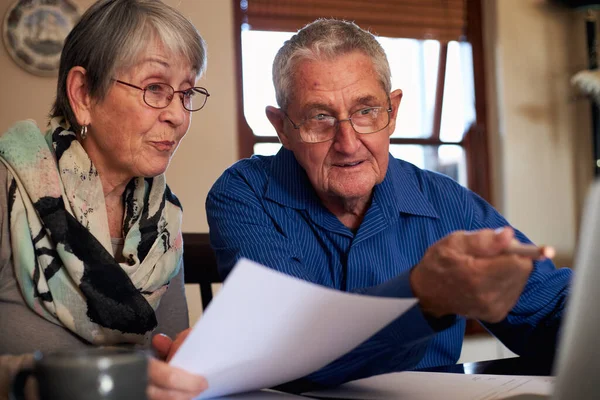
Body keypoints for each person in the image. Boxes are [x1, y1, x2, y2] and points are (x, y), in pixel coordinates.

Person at [206, 19, 572, 386]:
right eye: (320, 117)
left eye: (365, 111)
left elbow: (553, 310)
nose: (348, 143)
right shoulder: (244, 194)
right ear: (282, 127)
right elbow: (287, 348)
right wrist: (422, 297)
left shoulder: (447, 202)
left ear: (392, 111)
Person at [0, 0, 209, 399]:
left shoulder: (162, 221)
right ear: (83, 94)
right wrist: (62, 380)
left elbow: (161, 356)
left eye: (186, 92)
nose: (179, 116)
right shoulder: (5, 191)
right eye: (155, 89)